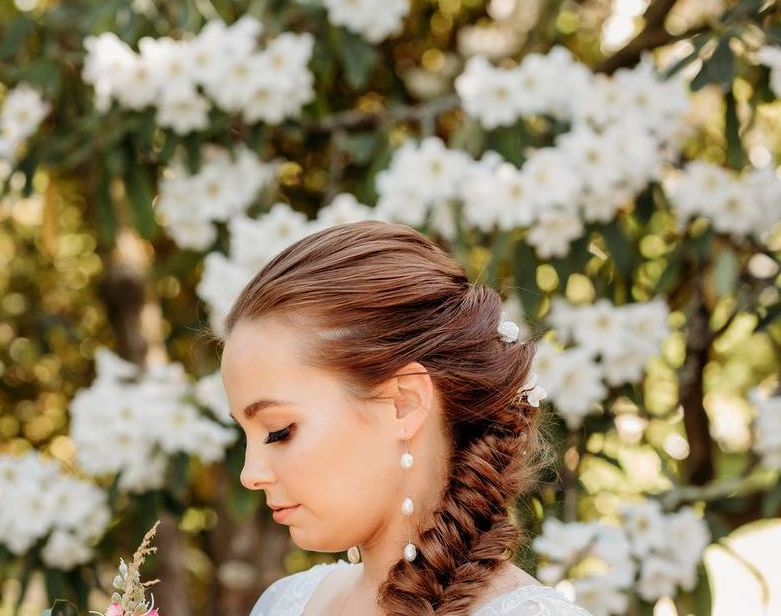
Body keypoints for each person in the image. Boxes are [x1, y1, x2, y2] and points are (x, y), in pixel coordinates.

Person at [217, 220, 594, 616]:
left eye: (279, 432)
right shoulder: (283, 605)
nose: (250, 474)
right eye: (245, 434)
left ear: (405, 403)